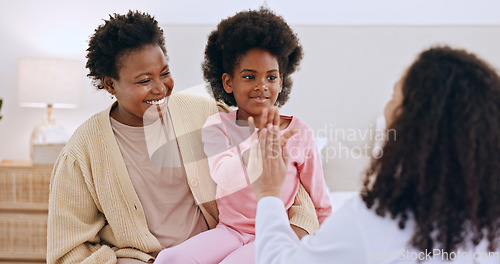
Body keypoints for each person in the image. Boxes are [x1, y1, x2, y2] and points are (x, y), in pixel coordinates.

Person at [46, 10, 319, 264]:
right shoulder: (82, 151)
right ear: (110, 84)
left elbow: (284, 176)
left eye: (164, 73)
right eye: (144, 81)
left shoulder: (206, 114)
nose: (160, 88)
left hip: (224, 252)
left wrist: (296, 229)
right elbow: (67, 251)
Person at [253, 46, 500, 263]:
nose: (388, 105)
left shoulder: (373, 222)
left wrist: (269, 194)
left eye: (394, 96)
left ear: (411, 121)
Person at [154, 8, 332, 264]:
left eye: (271, 77)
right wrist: (255, 146)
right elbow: (223, 175)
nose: (262, 86)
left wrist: (329, 245)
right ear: (228, 83)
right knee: (169, 258)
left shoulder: (298, 132)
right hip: (230, 231)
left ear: (281, 82)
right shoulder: (217, 126)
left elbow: (319, 200)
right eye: (249, 77)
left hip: (275, 234)